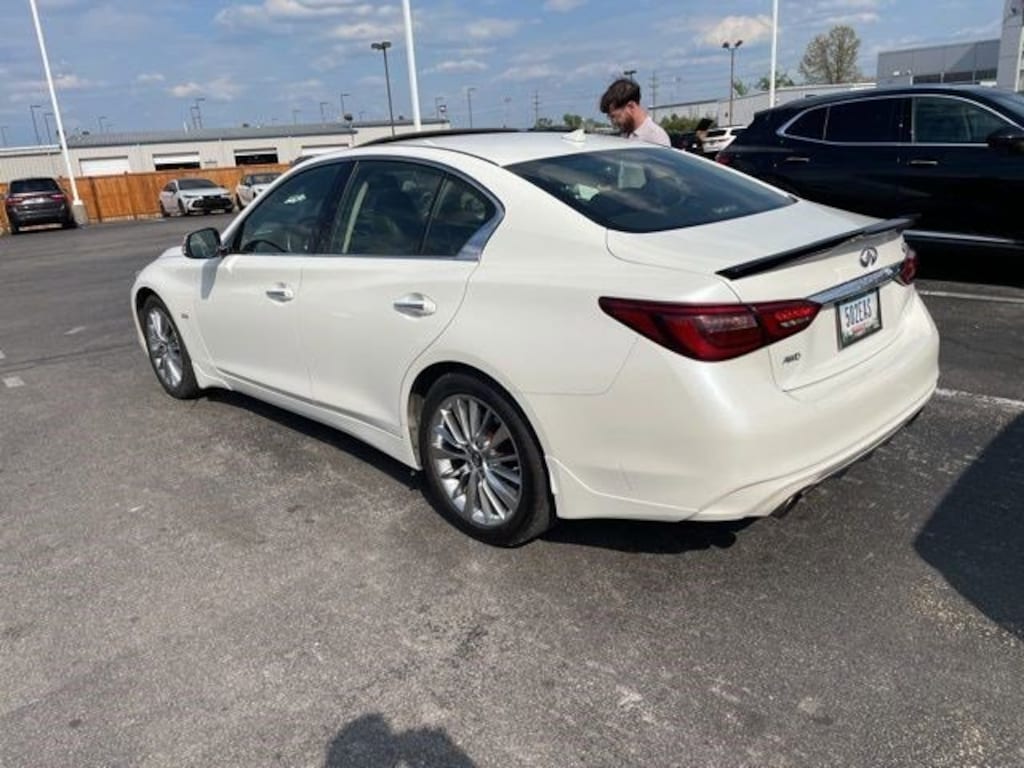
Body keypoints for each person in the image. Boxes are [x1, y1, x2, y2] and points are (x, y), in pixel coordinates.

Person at [599, 78, 671, 147]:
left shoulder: (655, 138)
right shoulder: (625, 135)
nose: (613, 122)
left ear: (630, 107)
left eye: (614, 116)